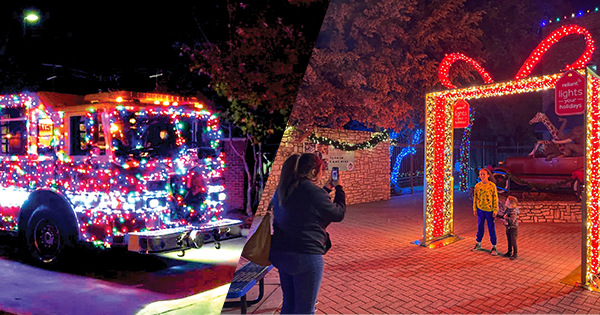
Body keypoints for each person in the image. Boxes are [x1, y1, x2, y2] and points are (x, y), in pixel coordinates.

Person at [269, 153, 346, 314]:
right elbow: (338, 213)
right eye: (320, 170)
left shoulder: (284, 188)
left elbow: (306, 207)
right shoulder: (311, 191)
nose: (321, 173)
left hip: (281, 253)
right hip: (305, 256)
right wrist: (339, 189)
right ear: (312, 172)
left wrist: (326, 189)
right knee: (305, 310)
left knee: (289, 304)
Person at [471, 167, 499, 255]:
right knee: (480, 226)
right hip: (480, 209)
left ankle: (494, 246)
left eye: (484, 174)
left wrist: (495, 209)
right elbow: (475, 197)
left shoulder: (492, 186)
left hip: (489, 210)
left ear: (488, 175)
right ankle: (478, 243)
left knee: (491, 227)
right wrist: (475, 208)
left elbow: (495, 198)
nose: (482, 176)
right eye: (480, 174)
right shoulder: (477, 186)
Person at [499, 196, 519, 260]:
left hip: (513, 228)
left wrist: (506, 218)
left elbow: (511, 220)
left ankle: (515, 254)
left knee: (513, 241)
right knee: (509, 240)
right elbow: (504, 216)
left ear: (510, 204)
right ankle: (509, 252)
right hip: (508, 227)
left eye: (507, 201)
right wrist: (498, 215)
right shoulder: (508, 209)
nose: (505, 201)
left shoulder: (513, 211)